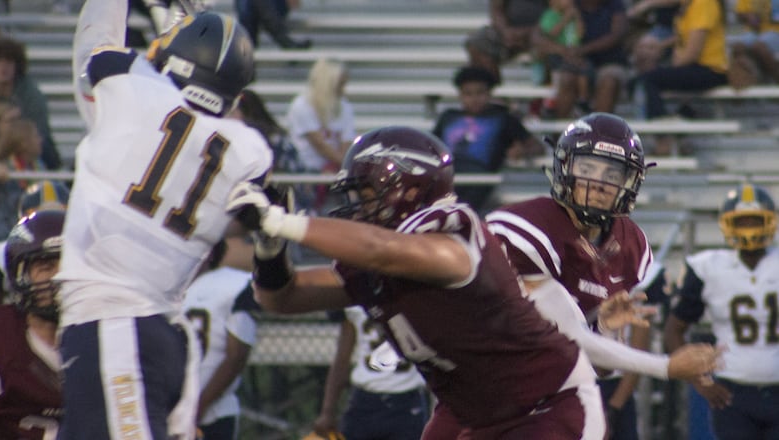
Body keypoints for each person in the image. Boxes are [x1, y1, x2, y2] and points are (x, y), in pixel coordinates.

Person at [228, 125, 611, 440]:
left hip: (548, 407)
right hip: (480, 418)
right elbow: (282, 298)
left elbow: (384, 251)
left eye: (366, 194)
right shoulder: (379, 256)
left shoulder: (453, 242)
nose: (357, 208)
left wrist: (279, 221)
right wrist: (269, 245)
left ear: (408, 191)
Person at [56, 1, 271, 438]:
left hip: (115, 327)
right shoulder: (251, 152)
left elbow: (95, 51)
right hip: (162, 333)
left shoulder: (131, 89)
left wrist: (162, 28)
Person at [484, 112, 716, 439]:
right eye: (587, 168)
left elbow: (601, 367)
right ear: (565, 167)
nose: (599, 183)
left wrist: (604, 328)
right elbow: (565, 339)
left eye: (612, 172)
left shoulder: (631, 244)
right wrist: (666, 366)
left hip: (557, 401)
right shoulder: (524, 230)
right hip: (491, 400)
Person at [664, 183, 779, 440]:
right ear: (728, 224)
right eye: (742, 221)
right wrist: (700, 380)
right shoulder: (707, 267)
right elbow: (674, 330)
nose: (749, 229)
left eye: (755, 220)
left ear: (770, 222)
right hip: (732, 394)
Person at [0, 209, 65, 439]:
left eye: (69, 264)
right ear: (20, 276)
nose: (61, 277)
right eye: (46, 266)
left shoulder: (105, 335)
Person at [432, 65, 543, 212]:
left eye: (480, 93)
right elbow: (431, 146)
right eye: (468, 94)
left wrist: (522, 151)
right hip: (447, 173)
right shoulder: (448, 117)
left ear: (489, 94)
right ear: (460, 95)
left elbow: (538, 147)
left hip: (479, 177)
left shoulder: (502, 118)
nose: (474, 99)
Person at [311, 305, 428, 440]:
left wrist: (328, 411)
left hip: (403, 400)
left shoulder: (359, 298)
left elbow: (342, 359)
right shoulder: (411, 297)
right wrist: (327, 412)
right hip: (370, 401)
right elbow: (342, 358)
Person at [183, 239, 258, 440]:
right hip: (205, 408)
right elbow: (236, 358)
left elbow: (235, 358)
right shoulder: (237, 284)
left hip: (198, 408)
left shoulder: (179, 289)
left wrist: (195, 409)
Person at [633, 0, 727, 154]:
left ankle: (662, 136)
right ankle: (679, 119)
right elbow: (682, 40)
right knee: (645, 79)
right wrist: (661, 49)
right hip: (695, 67)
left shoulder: (703, 3)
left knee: (650, 79)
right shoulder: (686, 6)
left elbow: (693, 52)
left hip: (711, 69)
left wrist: (672, 65)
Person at [536, 0, 629, 118]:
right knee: (567, 79)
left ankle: (598, 132)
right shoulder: (568, 4)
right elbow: (538, 36)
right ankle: (558, 133)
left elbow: (618, 34)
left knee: (609, 82)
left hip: (609, 61)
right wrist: (562, 50)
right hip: (573, 60)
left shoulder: (615, 5)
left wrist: (583, 50)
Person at [285, 58, 355, 213]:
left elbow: (346, 143)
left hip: (334, 168)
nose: (343, 89)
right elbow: (320, 145)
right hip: (306, 168)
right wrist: (345, 168)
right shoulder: (302, 105)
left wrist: (342, 168)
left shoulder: (344, 106)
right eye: (340, 84)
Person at [0, 37, 61, 170]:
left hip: (30, 151)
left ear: (17, 66)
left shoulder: (31, 94)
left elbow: (39, 134)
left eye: (9, 61)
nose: (3, 67)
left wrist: (12, 130)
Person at [465, 0, 548, 84]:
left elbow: (557, 11)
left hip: (544, 31)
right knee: (477, 42)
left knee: (550, 44)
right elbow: (496, 10)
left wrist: (531, 31)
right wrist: (506, 31)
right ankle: (491, 88)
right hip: (508, 31)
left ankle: (546, 92)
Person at [235, 0, 312, 49]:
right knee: (248, 6)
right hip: (257, 9)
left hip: (275, 6)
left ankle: (248, 49)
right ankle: (285, 41)